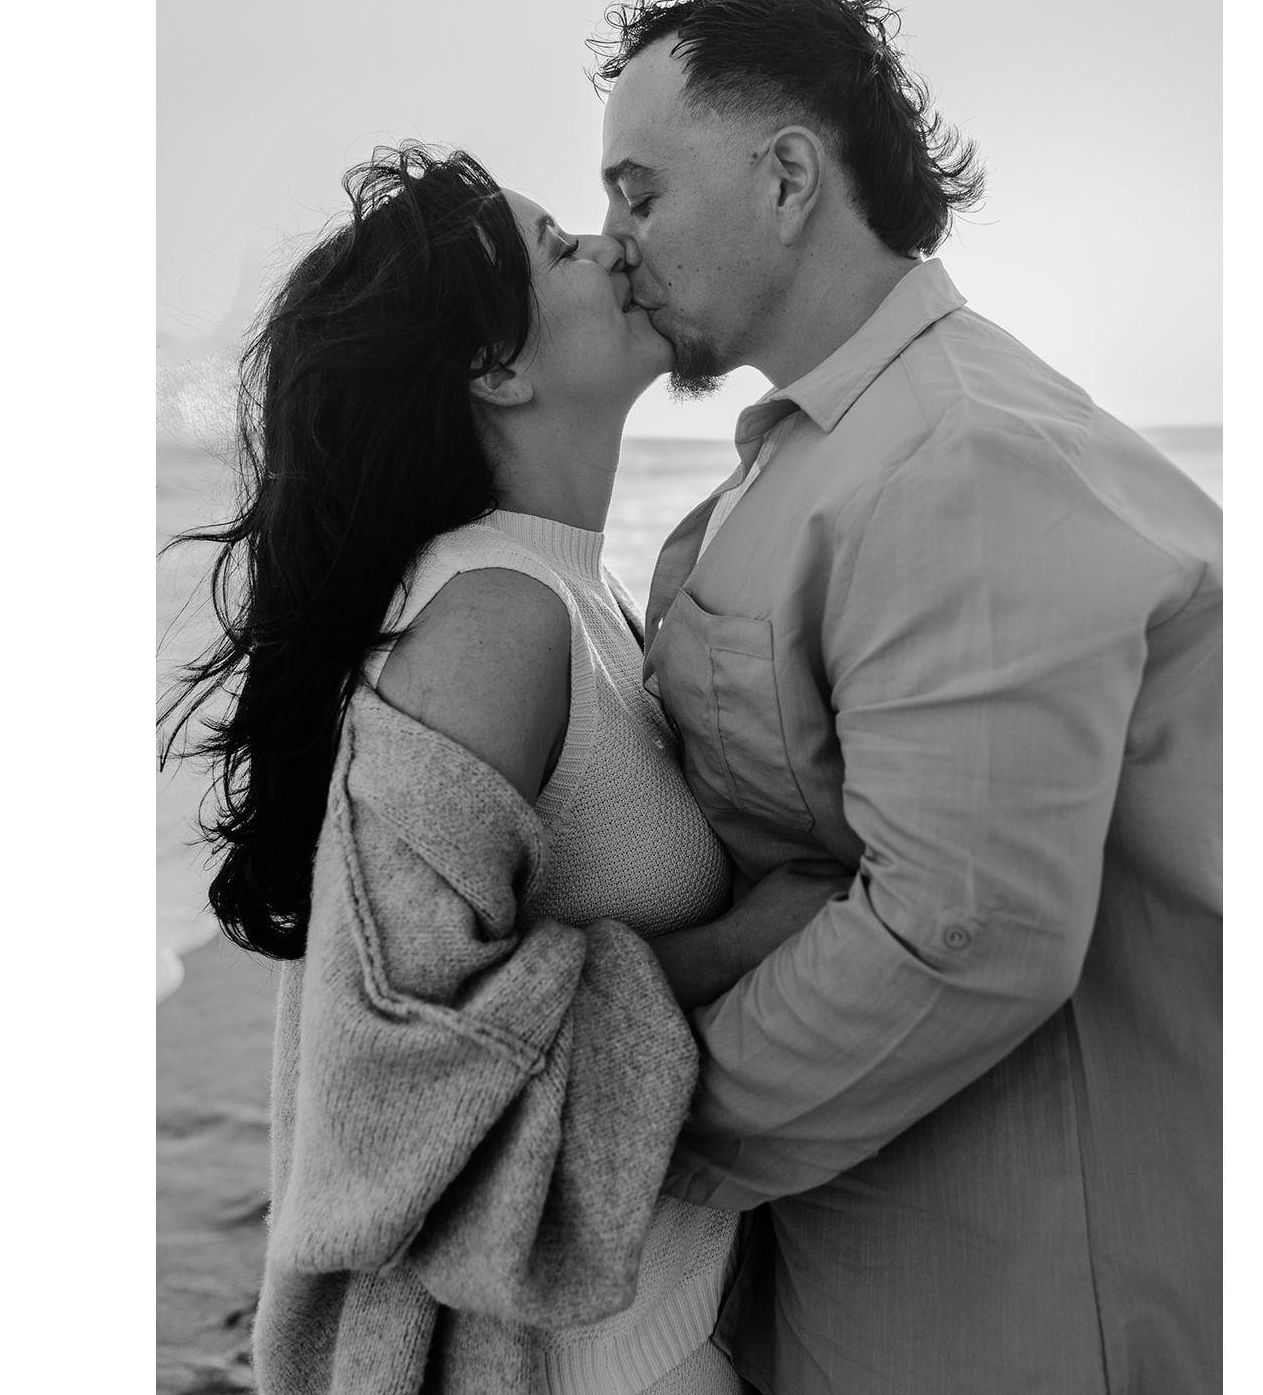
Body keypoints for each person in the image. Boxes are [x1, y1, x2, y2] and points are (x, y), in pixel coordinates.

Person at [589, 0, 1223, 1395]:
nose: (614, 242)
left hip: (1024, 1290)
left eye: (640, 192)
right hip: (880, 1240)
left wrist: (627, 1134)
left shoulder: (959, 459)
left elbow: (965, 931)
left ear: (787, 178)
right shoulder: (827, 448)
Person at [160, 142, 843, 1395]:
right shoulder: (493, 617)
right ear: (495, 365)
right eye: (558, 247)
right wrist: (751, 939)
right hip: (576, 1361)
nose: (611, 242)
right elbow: (400, 1055)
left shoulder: (574, 592)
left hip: (667, 1312)